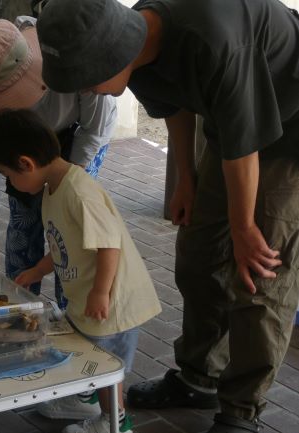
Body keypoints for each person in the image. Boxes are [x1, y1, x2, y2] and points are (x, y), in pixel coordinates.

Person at [36, 1, 299, 432]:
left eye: (88, 82)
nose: (89, 93)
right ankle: (199, 377)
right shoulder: (133, 39)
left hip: (291, 129)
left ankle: (240, 411)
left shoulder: (214, 41)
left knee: (259, 274)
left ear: (114, 57)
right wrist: (186, 178)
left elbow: (245, 147)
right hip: (234, 133)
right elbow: (174, 106)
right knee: (198, 254)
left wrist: (244, 227)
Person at [0, 108, 161, 433]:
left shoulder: (79, 191)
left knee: (107, 368)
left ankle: (115, 423)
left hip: (113, 305)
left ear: (26, 163)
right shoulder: (53, 189)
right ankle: (91, 401)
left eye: (7, 174)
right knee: (92, 358)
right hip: (96, 300)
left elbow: (109, 244)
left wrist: (100, 292)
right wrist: (38, 270)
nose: (10, 183)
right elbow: (63, 243)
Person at [0, 18, 118, 318]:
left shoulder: (75, 57)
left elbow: (95, 130)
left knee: (69, 229)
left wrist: (65, 184)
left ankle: (73, 311)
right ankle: (22, 311)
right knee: (24, 226)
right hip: (25, 152)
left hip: (79, 136)